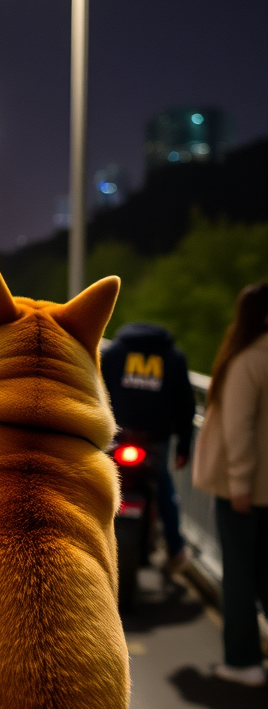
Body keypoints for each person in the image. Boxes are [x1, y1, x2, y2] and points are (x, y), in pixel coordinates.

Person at [193, 283, 268, 687]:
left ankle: (243, 662)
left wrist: (238, 482)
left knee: (239, 575)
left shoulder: (247, 361)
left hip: (247, 491)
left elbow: (240, 429)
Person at [101, 320, 196, 569]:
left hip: (116, 436)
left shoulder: (113, 353)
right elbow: (186, 405)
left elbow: (96, 391)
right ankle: (176, 550)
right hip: (155, 439)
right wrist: (184, 446)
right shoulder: (173, 357)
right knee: (163, 486)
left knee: (100, 483)